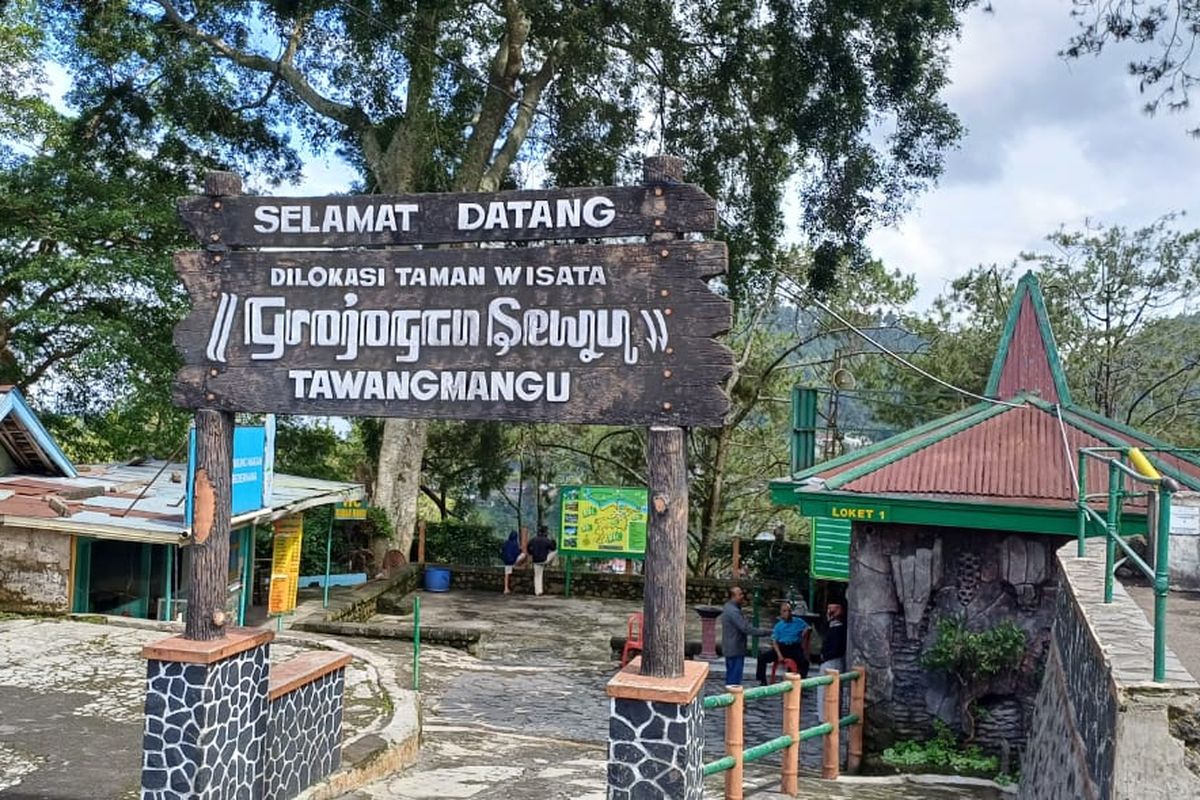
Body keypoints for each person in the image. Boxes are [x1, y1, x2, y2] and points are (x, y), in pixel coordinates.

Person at [720, 586, 772, 686]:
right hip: (735, 648)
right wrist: (767, 632)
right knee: (734, 679)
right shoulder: (733, 611)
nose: (742, 596)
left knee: (731, 676)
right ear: (733, 596)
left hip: (731, 647)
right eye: (740, 594)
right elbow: (745, 628)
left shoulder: (729, 607)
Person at [755, 601, 810, 683]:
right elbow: (774, 641)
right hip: (781, 647)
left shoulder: (798, 621)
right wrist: (779, 655)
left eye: (789, 611)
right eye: (784, 611)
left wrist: (804, 633)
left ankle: (800, 683)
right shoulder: (778, 626)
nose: (787, 613)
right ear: (781, 613)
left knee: (804, 662)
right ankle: (762, 681)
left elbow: (808, 627)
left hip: (794, 647)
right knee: (762, 658)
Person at [816, 602, 847, 721]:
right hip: (829, 661)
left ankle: (828, 717)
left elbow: (837, 648)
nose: (829, 612)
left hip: (832, 661)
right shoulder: (832, 627)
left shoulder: (839, 628)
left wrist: (824, 657)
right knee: (825, 691)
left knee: (829, 690)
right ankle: (826, 716)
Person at [527, 525, 557, 596]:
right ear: (546, 532)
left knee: (537, 576)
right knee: (556, 551)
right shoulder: (546, 540)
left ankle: (538, 591)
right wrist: (554, 542)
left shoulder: (533, 540)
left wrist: (531, 553)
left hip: (536, 560)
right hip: (544, 560)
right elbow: (553, 548)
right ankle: (553, 564)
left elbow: (528, 547)